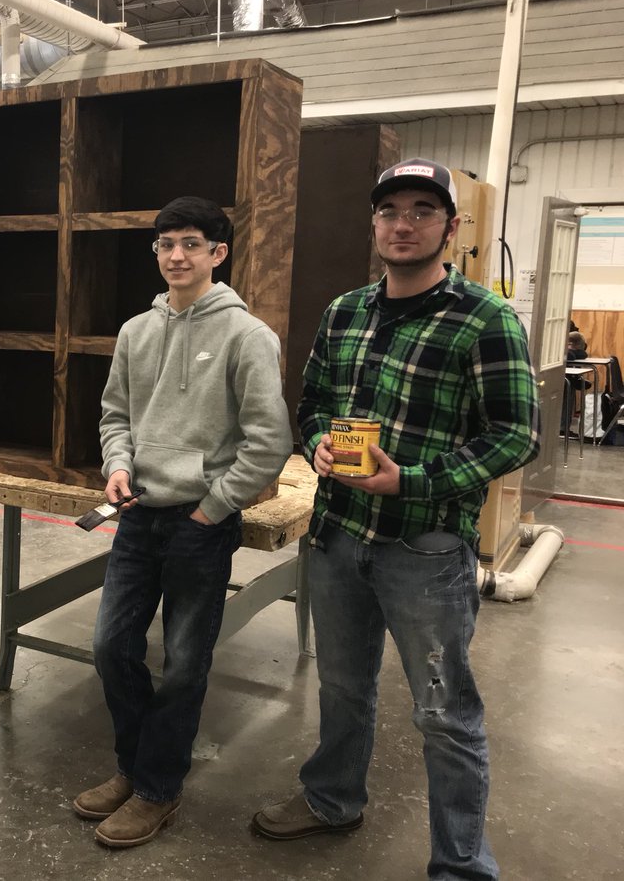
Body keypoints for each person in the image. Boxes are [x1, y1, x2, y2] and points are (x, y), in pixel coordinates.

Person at [251, 159, 540, 881]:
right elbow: (313, 404)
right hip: (338, 536)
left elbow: (515, 435)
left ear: (451, 226)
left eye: (421, 210)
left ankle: (461, 864)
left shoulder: (485, 318)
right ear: (374, 223)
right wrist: (318, 442)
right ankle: (332, 800)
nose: (403, 224)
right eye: (390, 211)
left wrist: (411, 480)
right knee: (343, 687)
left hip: (424, 549)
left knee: (445, 714)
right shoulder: (345, 311)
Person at [75, 196, 292, 848]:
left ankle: (157, 789)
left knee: (184, 664)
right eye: (165, 245)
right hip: (138, 516)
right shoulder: (136, 333)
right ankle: (134, 767)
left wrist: (213, 507)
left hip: (201, 525)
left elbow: (269, 440)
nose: (176, 256)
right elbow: (115, 415)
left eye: (191, 244)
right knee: (111, 648)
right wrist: (118, 465)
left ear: (217, 253)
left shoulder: (247, 336)